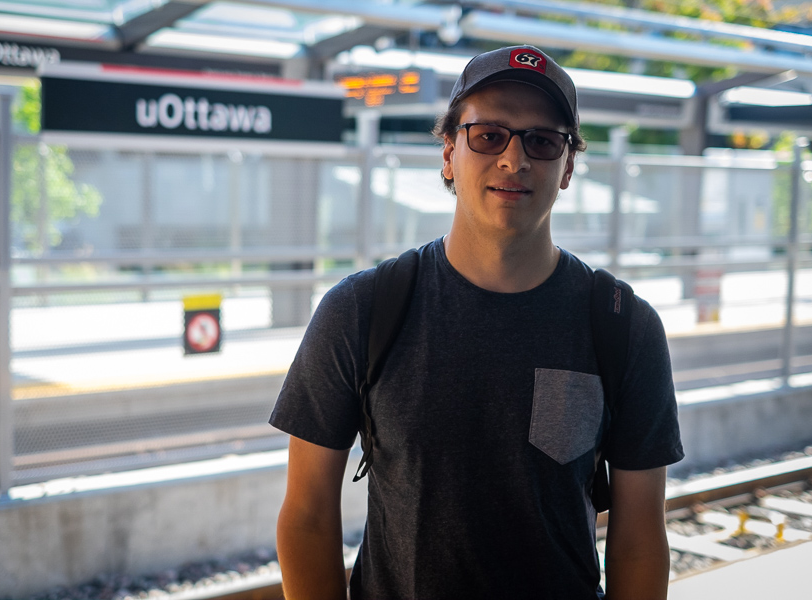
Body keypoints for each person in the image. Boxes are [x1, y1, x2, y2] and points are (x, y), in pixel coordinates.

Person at [270, 44, 684, 600]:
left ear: (567, 167)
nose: (514, 160)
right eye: (488, 135)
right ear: (448, 153)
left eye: (542, 141)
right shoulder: (362, 311)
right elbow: (307, 516)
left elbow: (637, 537)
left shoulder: (623, 327)